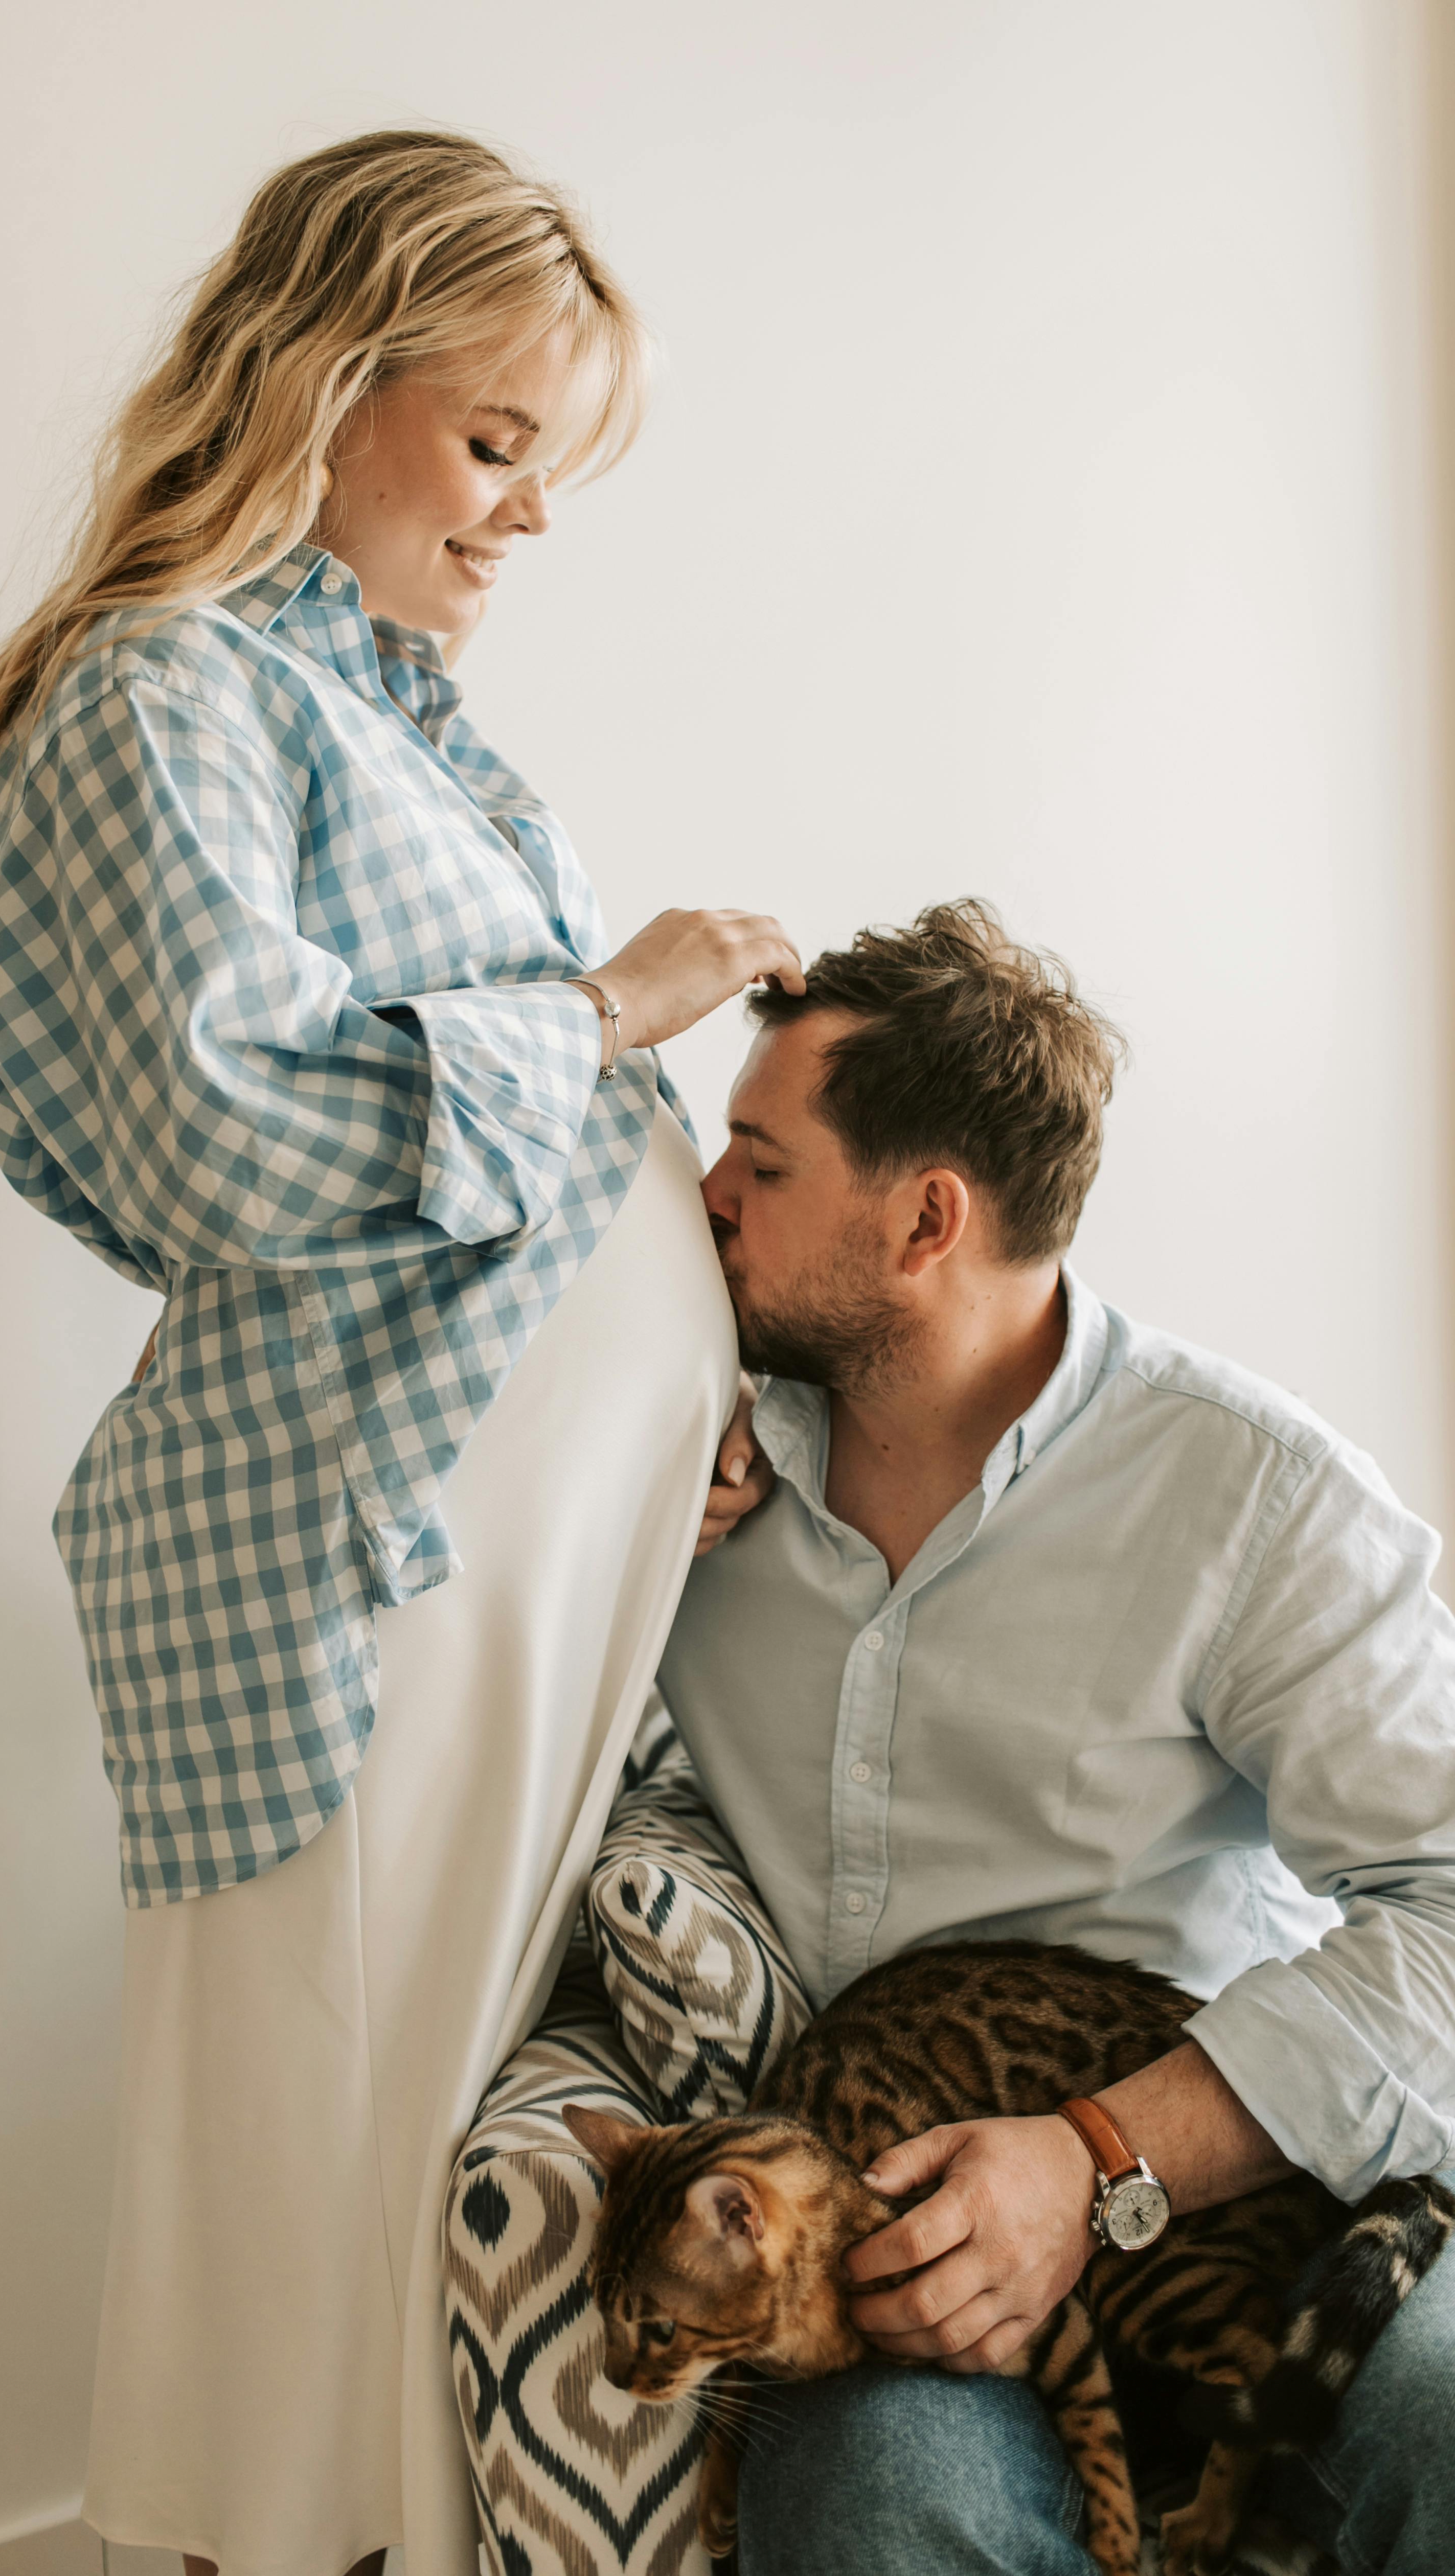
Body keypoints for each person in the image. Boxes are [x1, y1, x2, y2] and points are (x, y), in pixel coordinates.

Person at [0, 131, 799, 2576]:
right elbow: (218, 1111)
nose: (522, 521)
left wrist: (684, 1404)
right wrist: (612, 1009)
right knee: (314, 2178)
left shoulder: (377, 711)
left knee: (419, 2152)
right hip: (364, 1550)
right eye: (497, 442)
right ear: (323, 382)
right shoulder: (166, 688)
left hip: (496, 1553)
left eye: (551, 470)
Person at [664, 900, 1455, 2574]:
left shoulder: (1249, 1497)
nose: (707, 1195)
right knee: (881, 2528)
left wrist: (1095, 2161)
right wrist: (636, 1497)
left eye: (761, 1158)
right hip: (891, 2233)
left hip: (1237, 2163)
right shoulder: (676, 1464)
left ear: (925, 1220)